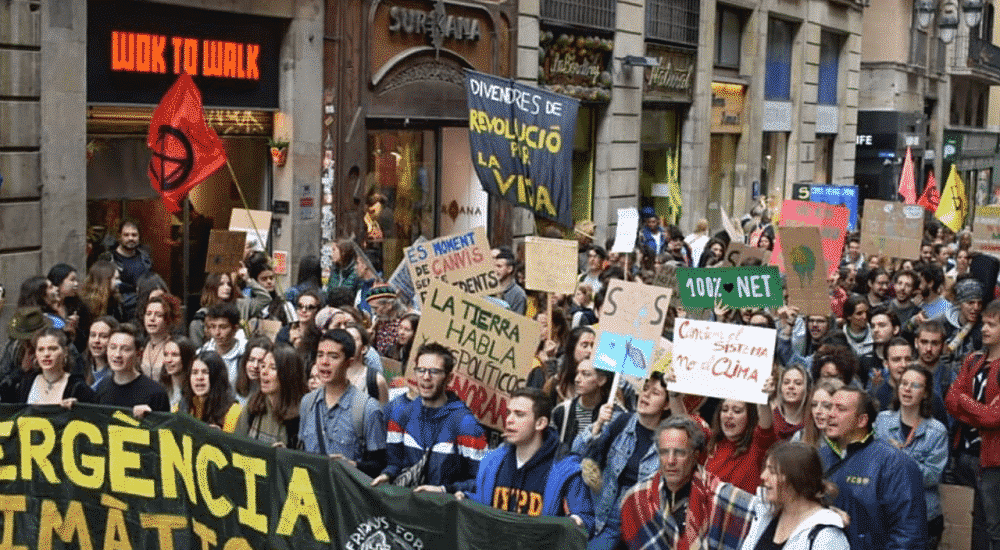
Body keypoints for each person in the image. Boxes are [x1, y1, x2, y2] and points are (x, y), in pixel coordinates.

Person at [457, 387, 594, 536]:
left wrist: (577, 522)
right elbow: (483, 501)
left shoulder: (565, 470)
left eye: (519, 414)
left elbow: (585, 521)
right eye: (508, 412)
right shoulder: (492, 461)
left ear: (540, 423)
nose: (509, 420)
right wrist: (463, 498)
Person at [571, 372, 676, 550]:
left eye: (655, 393)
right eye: (645, 388)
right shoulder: (620, 421)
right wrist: (598, 425)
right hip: (604, 516)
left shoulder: (669, 441)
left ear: (666, 404)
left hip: (640, 524)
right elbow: (578, 450)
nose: (646, 395)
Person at [619, 415, 755, 550]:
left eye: (679, 453)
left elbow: (763, 512)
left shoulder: (720, 497)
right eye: (664, 452)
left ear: (695, 456)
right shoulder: (637, 498)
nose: (671, 461)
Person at [820, 386, 927, 550]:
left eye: (840, 409)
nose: (830, 414)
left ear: (862, 420)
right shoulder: (819, 457)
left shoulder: (895, 464)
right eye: (830, 407)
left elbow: (909, 537)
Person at [372, 342, 486, 493]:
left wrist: (444, 490)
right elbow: (394, 462)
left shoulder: (467, 425)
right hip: (404, 507)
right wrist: (388, 474)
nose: (426, 377)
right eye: (421, 370)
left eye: (434, 372)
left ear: (449, 378)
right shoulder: (400, 414)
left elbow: (481, 482)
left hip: (443, 511)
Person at [945, 298, 1000, 550]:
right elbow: (951, 400)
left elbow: (994, 418)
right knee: (971, 523)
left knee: (993, 526)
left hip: (992, 459)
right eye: (984, 324)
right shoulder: (972, 360)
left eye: (992, 324)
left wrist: (965, 402)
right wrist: (978, 411)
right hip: (965, 452)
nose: (985, 329)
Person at [875, 365, 948, 550]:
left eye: (915, 385)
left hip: (923, 516)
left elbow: (932, 476)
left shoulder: (937, 431)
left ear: (925, 393)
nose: (907, 389)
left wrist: (899, 456)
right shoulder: (882, 421)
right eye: (903, 384)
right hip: (888, 514)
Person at [299, 329, 386, 477]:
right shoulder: (307, 402)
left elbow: (379, 465)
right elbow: (301, 451)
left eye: (333, 357)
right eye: (320, 355)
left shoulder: (367, 409)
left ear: (349, 362)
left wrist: (354, 466)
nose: (324, 362)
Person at [740, 442, 849, 550]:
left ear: (796, 479)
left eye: (772, 471)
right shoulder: (767, 511)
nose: (763, 476)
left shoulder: (827, 536)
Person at [234, 343, 308, 448]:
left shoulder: (304, 415)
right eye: (263, 366)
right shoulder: (253, 406)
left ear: (289, 374)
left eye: (273, 368)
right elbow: (236, 445)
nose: (264, 371)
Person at [95, 323, 170, 414]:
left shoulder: (156, 393)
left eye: (125, 349)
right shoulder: (103, 386)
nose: (117, 354)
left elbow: (165, 427)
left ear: (139, 353)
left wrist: (149, 418)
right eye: (113, 348)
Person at [17, 328, 95, 405]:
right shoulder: (26, 382)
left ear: (65, 352)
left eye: (53, 349)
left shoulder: (78, 388)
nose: (46, 354)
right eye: (41, 349)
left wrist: (77, 409)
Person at [551, 359, 614, 452]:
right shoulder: (562, 410)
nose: (577, 379)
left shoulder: (613, 412)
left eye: (586, 374)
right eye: (577, 373)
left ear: (601, 380)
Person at [178, 351, 242, 432]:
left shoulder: (233, 410)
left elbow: (231, 443)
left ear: (217, 377)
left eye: (205, 372)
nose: (199, 377)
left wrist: (220, 436)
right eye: (194, 372)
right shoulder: (183, 405)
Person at [197, 302, 247, 389]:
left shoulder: (246, 352)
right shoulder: (202, 353)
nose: (217, 333)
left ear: (235, 329)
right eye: (212, 327)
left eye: (223, 327)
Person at [110, 220, 152, 321]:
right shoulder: (110, 258)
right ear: (119, 236)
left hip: (142, 312)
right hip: (118, 313)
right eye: (126, 235)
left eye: (134, 235)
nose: (130, 238)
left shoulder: (145, 258)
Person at [47, 263, 90, 354]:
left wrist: (74, 331)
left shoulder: (79, 306)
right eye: (72, 280)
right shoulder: (45, 307)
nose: (76, 284)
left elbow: (84, 339)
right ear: (59, 281)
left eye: (77, 280)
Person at [546, 326, 595, 403]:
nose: (590, 350)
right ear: (572, 348)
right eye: (584, 345)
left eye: (593, 346)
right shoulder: (555, 383)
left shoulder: (601, 383)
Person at [343, 322, 389, 404]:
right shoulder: (330, 373)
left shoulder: (375, 380)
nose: (348, 343)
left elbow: (383, 414)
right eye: (344, 339)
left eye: (353, 339)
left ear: (363, 349)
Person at [189, 272, 237, 348]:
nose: (227, 287)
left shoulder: (235, 309)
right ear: (212, 287)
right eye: (221, 284)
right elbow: (196, 348)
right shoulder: (201, 317)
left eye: (229, 284)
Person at [793, 379, 845, 449]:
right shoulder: (799, 437)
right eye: (814, 405)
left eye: (826, 406)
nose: (818, 411)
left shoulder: (852, 442)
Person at [139, 294, 181, 383]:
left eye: (158, 315)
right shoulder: (141, 345)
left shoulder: (176, 346)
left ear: (168, 319)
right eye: (148, 314)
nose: (152, 318)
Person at [772, 365, 809, 440]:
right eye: (786, 382)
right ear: (780, 387)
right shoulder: (769, 421)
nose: (791, 386)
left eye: (798, 383)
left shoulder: (812, 424)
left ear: (807, 389)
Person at [159, 335, 195, 410]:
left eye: (175, 355)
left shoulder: (194, 391)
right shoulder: (161, 388)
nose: (169, 360)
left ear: (186, 357)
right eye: (165, 354)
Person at [84, 316, 118, 389]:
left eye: (103, 336)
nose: (96, 340)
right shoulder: (80, 367)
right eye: (93, 335)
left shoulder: (120, 373)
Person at [234, 337, 270, 405]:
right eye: (251, 360)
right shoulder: (238, 383)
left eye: (260, 361)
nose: (255, 366)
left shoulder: (270, 394)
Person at [494, 247, 527, 315]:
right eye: (494, 266)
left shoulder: (519, 294)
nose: (495, 270)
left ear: (509, 269)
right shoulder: (489, 288)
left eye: (499, 266)